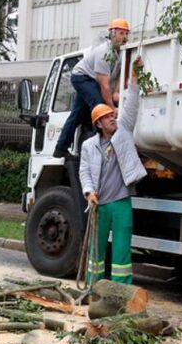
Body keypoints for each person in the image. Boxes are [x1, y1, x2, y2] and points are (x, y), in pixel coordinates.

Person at [79, 57, 148, 285]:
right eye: (108, 117)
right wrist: (89, 192)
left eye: (112, 114)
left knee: (122, 251)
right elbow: (84, 173)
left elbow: (131, 105)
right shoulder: (89, 146)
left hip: (121, 202)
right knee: (96, 251)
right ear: (98, 124)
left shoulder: (123, 132)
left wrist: (135, 76)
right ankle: (93, 288)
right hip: (99, 204)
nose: (113, 117)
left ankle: (121, 290)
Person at [54, 18, 130, 158]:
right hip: (82, 77)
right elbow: (104, 85)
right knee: (100, 108)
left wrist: (117, 92)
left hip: (92, 80)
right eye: (121, 33)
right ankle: (102, 150)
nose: (125, 37)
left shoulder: (121, 53)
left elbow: (121, 76)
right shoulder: (104, 53)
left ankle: (60, 148)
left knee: (77, 114)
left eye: (126, 34)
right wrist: (112, 108)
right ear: (112, 34)